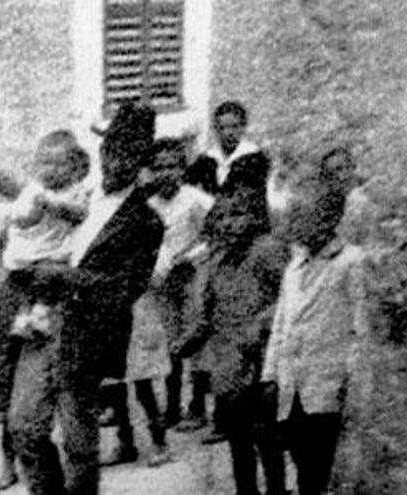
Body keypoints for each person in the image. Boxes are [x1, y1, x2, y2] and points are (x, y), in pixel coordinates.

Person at [7, 103, 164, 495]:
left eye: (129, 155)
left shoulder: (145, 221)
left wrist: (66, 276)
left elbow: (124, 289)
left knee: (78, 441)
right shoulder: (78, 192)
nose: (116, 162)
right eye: (111, 151)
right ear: (101, 150)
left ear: (142, 161)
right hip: (43, 320)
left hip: (86, 333)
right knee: (23, 425)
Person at [259, 157, 372, 495]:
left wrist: (354, 386)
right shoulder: (294, 266)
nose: (293, 223)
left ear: (330, 218)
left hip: (327, 387)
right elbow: (281, 325)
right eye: (292, 215)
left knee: (320, 467)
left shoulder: (350, 262)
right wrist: (270, 376)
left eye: (301, 215)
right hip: (291, 385)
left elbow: (360, 329)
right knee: (298, 458)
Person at [0, 129, 92, 491]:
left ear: (75, 167)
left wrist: (53, 205)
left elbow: (79, 217)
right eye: (42, 162)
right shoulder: (33, 190)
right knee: (19, 409)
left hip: (57, 288)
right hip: (23, 286)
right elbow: (19, 213)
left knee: (72, 424)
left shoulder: (78, 194)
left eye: (57, 163)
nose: (48, 169)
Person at [99, 138, 214, 467]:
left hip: (159, 290)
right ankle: (125, 441)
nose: (165, 173)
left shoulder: (180, 205)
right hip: (115, 302)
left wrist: (179, 261)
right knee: (114, 378)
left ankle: (161, 437)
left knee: (147, 374)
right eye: (158, 167)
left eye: (172, 166)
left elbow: (168, 250)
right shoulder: (116, 210)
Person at [172, 191, 289, 495]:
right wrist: (188, 341)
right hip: (228, 364)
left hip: (263, 360)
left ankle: (277, 490)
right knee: (238, 438)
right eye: (222, 217)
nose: (229, 224)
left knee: (266, 435)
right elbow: (207, 317)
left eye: (237, 215)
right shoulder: (216, 265)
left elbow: (288, 297)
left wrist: (260, 324)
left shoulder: (266, 251)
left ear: (252, 218)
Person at [178, 101, 271, 436]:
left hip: (240, 248)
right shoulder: (208, 160)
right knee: (201, 320)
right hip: (211, 246)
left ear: (243, 127)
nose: (229, 133)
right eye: (223, 127)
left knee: (232, 330)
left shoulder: (254, 160)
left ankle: (228, 412)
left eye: (234, 126)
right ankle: (199, 405)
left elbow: (252, 208)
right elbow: (190, 190)